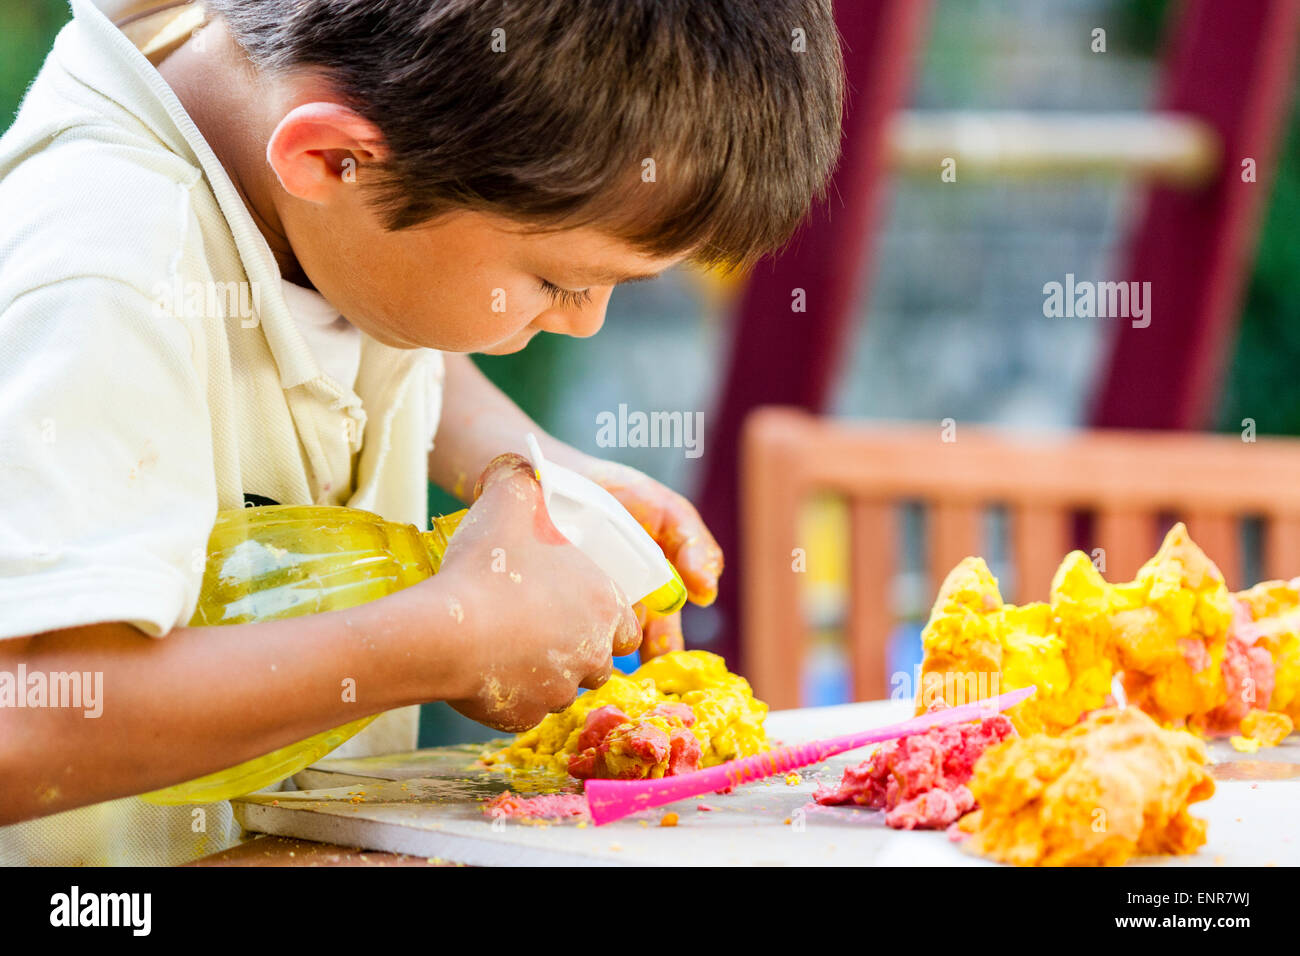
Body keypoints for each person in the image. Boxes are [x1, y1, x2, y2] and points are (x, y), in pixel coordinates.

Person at [0, 0, 843, 863]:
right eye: (556, 280)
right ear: (331, 160)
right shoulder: (107, 275)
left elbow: (388, 336)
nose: (587, 324)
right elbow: (24, 722)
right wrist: (452, 637)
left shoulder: (305, 173)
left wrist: (524, 465)